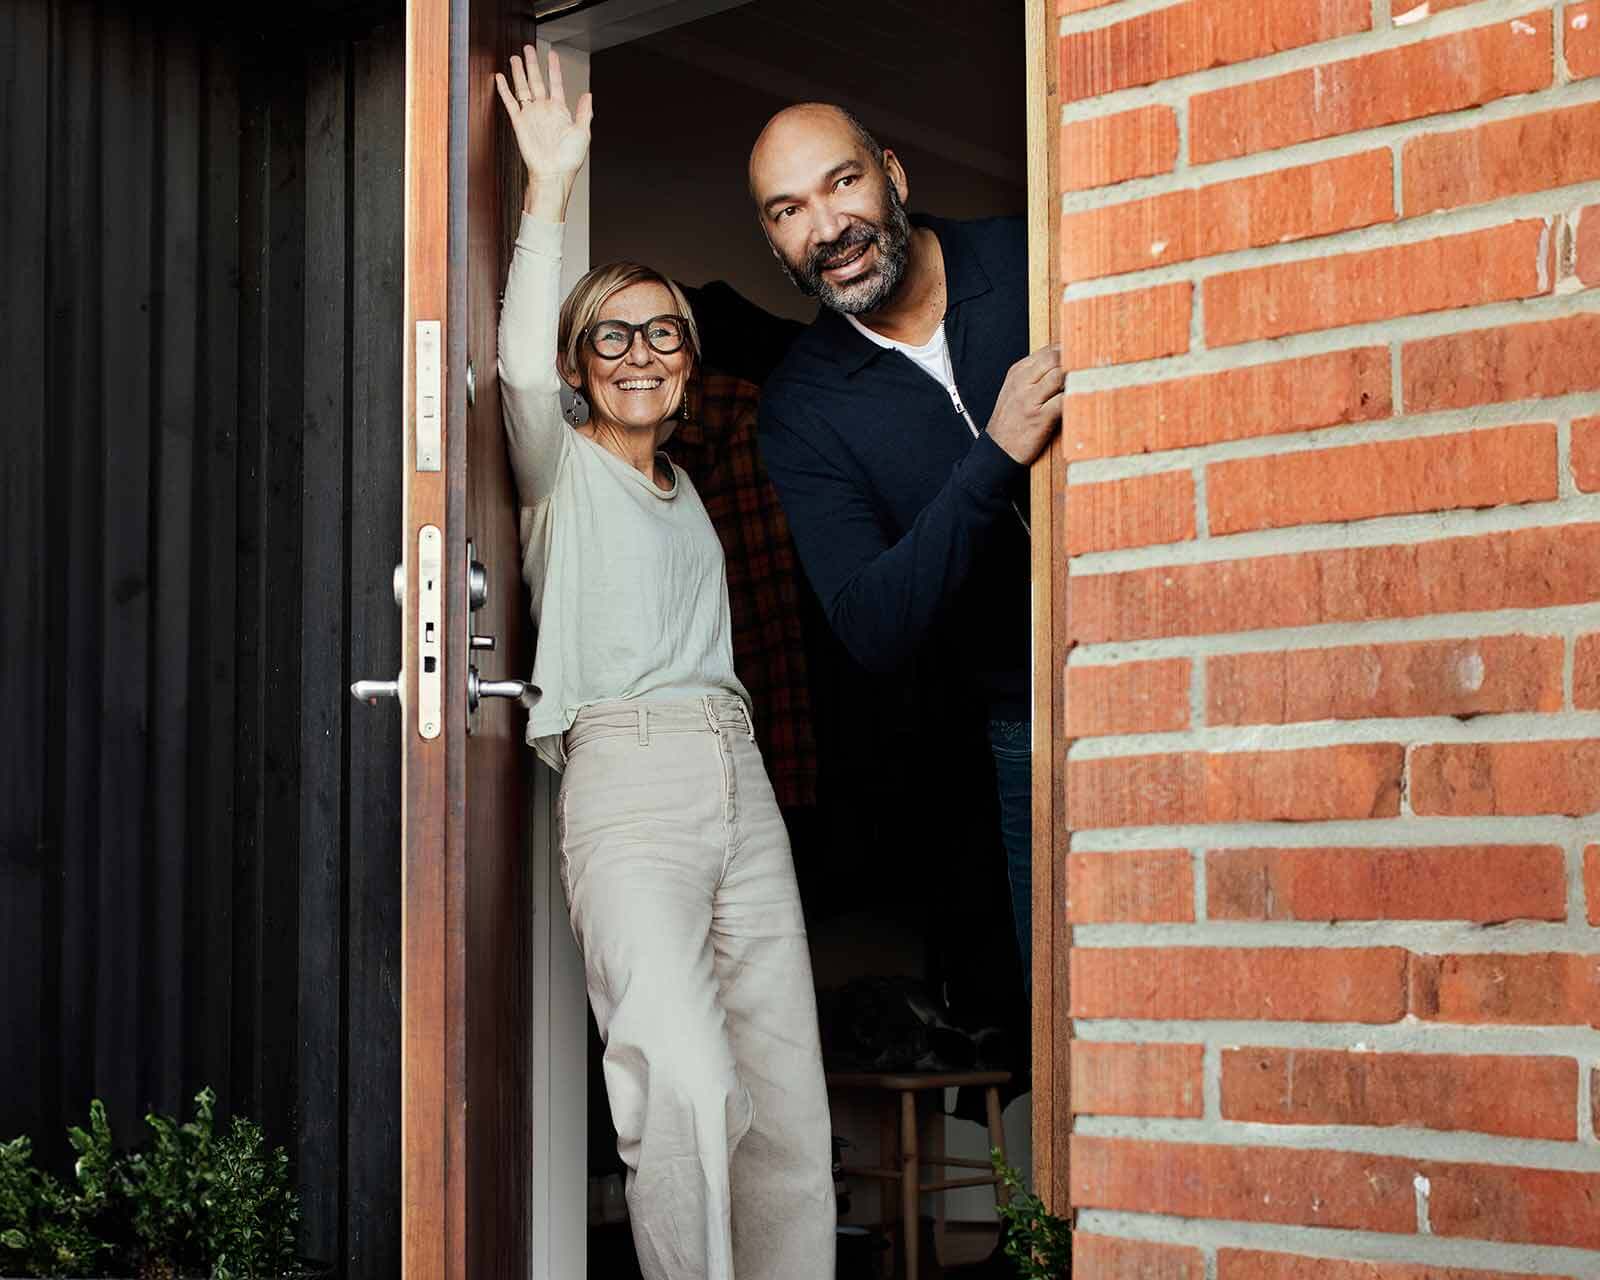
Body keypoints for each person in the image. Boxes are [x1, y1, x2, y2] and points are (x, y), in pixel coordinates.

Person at [493, 49, 835, 1280]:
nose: (639, 352)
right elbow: (513, 369)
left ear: (689, 361)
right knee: (681, 1083)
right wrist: (547, 186)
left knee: (785, 1102)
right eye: (611, 335)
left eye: (663, 334)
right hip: (627, 780)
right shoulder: (560, 471)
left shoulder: (689, 489)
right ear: (581, 365)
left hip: (737, 780)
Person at [747, 104, 1064, 987]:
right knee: (1071, 1003)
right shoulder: (800, 406)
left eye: (842, 182)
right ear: (773, 242)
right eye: (789, 210)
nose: (826, 228)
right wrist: (996, 454)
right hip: (1022, 725)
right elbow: (871, 624)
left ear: (892, 173)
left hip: (1171, 654)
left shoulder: (1036, 253)